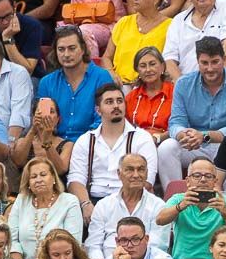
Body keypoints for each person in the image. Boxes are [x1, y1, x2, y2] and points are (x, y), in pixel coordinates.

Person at [158, 37, 226, 188]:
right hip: (193, 144)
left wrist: (204, 136)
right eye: (204, 63)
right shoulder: (183, 84)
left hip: (225, 144)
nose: (210, 68)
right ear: (198, 61)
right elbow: (176, 122)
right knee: (167, 148)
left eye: (215, 62)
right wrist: (185, 135)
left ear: (224, 59)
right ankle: (176, 199)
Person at [68, 82, 160, 224]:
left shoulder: (142, 138)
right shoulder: (86, 140)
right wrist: (85, 205)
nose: (116, 106)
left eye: (119, 101)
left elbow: (147, 180)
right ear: (98, 110)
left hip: (130, 200)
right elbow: (76, 179)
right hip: (93, 201)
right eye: (109, 102)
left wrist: (121, 207)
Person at [155, 157, 226, 259]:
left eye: (208, 176)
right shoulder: (179, 199)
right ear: (187, 181)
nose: (203, 180)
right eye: (197, 176)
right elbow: (159, 220)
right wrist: (180, 206)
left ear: (215, 181)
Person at [35, 25, 116, 142]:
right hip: (56, 144)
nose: (66, 54)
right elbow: (44, 119)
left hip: (92, 142)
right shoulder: (47, 82)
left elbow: (104, 118)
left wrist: (81, 144)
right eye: (61, 49)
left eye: (72, 48)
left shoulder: (102, 77)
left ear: (83, 49)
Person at [86, 154, 170, 259]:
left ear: (147, 173)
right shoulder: (103, 205)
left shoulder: (158, 206)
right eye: (129, 170)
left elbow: (157, 246)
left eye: (141, 169)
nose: (136, 175)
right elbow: (93, 246)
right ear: (119, 174)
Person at [7, 157, 83, 259]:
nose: (38, 180)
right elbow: (11, 239)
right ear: (28, 182)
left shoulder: (69, 201)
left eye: (43, 175)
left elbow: (73, 243)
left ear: (53, 178)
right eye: (33, 177)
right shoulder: (21, 200)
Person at [161, 0, 226, 77]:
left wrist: (215, 81)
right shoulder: (178, 20)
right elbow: (169, 59)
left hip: (219, 80)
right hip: (185, 82)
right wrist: (182, 85)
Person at [104, 0, 172, 84]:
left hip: (151, 87)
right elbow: (106, 57)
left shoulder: (170, 26)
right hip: (120, 86)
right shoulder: (123, 22)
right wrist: (111, 73)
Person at [123, 46, 175, 152]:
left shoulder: (175, 93)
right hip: (135, 145)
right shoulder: (131, 97)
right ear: (137, 70)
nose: (148, 70)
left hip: (165, 143)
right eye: (142, 66)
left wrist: (158, 138)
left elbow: (180, 126)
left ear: (162, 67)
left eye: (152, 64)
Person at [10, 97, 75, 177]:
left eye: (51, 112)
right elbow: (18, 161)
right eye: (40, 112)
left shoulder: (67, 145)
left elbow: (60, 170)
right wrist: (33, 129)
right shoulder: (22, 141)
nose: (46, 116)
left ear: (58, 119)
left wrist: (46, 140)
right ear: (33, 117)